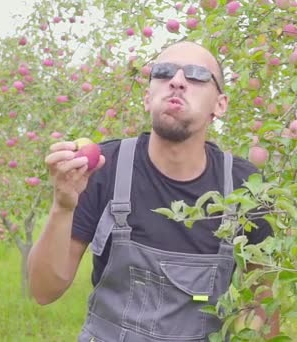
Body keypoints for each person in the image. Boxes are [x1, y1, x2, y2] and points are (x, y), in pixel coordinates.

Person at [27, 41, 277, 341]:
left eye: (196, 75)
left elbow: (261, 300)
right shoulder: (104, 169)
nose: (177, 81)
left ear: (219, 105)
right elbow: (43, 291)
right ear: (147, 98)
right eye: (163, 72)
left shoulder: (245, 187)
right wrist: (63, 206)